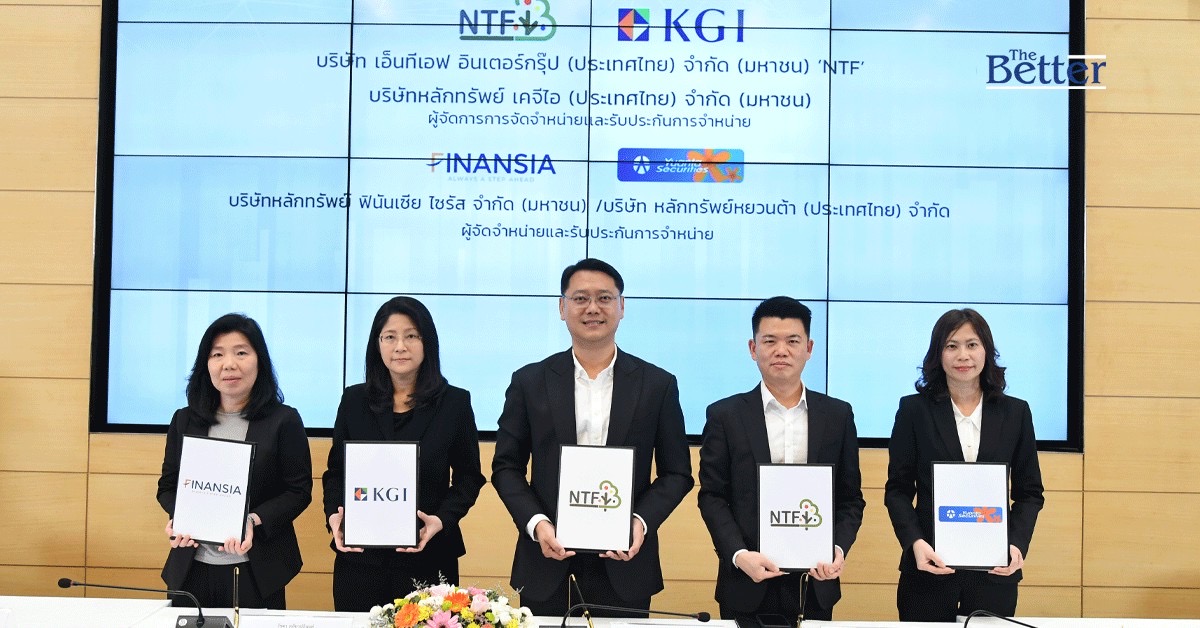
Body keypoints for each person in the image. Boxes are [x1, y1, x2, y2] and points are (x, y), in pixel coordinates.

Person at [491, 258, 694, 617]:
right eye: (581, 298)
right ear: (562, 307)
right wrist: (537, 525)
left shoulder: (657, 384)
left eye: (604, 298)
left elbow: (677, 473)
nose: (593, 308)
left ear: (621, 306)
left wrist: (640, 522)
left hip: (625, 561)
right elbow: (506, 467)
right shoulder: (529, 381)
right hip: (546, 559)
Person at [698, 297, 865, 624]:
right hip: (746, 582)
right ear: (753, 348)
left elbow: (850, 499)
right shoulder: (725, 415)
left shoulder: (838, 415)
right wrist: (738, 555)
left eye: (793, 341)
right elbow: (712, 496)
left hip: (815, 582)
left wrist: (837, 549)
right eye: (769, 341)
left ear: (809, 348)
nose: (781, 350)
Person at [323, 296, 486, 611]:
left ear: (428, 343)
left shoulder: (454, 403)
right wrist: (334, 516)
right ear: (377, 345)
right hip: (360, 560)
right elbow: (336, 473)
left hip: (428, 556)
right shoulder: (354, 400)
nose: (400, 346)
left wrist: (441, 520)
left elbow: (469, 478)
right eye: (389, 337)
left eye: (411, 336)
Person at [884, 308, 1045, 621]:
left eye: (972, 345)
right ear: (938, 353)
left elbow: (1030, 493)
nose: (963, 355)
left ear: (986, 351)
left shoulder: (1015, 413)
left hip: (994, 572)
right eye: (951, 345)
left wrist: (1015, 545)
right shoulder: (914, 410)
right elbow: (898, 491)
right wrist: (915, 543)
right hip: (928, 570)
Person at [157, 313, 313, 609]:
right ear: (205, 364)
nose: (229, 364)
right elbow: (167, 487)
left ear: (259, 361)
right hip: (191, 568)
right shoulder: (184, 420)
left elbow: (298, 492)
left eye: (241, 353)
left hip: (257, 570)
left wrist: (252, 520)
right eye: (217, 354)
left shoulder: (284, 420)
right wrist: (180, 517)